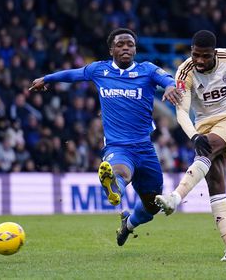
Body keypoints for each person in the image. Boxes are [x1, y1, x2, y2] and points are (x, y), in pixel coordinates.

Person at [29, 28, 181, 246]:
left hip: (145, 149)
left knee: (152, 205)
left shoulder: (147, 70)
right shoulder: (99, 70)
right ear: (111, 50)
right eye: (120, 44)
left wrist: (170, 87)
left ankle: (128, 224)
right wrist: (47, 78)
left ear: (135, 49)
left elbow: (166, 78)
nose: (126, 47)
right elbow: (73, 74)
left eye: (130, 44)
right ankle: (114, 184)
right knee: (120, 171)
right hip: (117, 146)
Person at [155, 30, 226, 261]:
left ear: (214, 53)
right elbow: (181, 112)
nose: (199, 60)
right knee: (215, 182)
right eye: (195, 55)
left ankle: (175, 198)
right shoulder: (185, 71)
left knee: (209, 148)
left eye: (205, 56)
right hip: (203, 124)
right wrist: (193, 136)